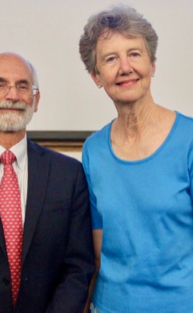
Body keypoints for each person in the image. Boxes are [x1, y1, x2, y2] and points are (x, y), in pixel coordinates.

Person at [0, 52, 95, 313]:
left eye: (23, 86)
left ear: (35, 100)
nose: (12, 95)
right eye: (0, 84)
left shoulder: (68, 175)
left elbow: (78, 268)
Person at [79, 4, 193, 313]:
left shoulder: (189, 141)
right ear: (96, 76)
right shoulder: (93, 150)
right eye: (111, 59)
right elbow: (98, 253)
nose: (125, 67)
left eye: (135, 54)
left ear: (152, 64)